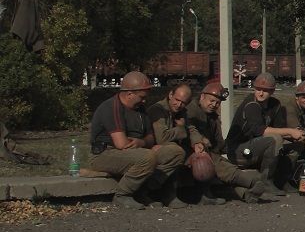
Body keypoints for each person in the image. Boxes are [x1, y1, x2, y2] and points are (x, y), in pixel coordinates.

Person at [87, 70, 185, 209]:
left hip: (137, 151)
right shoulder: (112, 107)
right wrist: (144, 146)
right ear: (129, 94)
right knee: (147, 157)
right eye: (142, 97)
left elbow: (151, 137)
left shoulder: (140, 109)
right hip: (105, 154)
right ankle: (123, 195)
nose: (145, 100)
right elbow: (122, 144)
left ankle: (144, 191)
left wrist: (142, 142)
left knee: (176, 152)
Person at [186, 81, 269, 203]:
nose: (214, 104)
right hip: (191, 152)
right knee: (214, 164)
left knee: (221, 171)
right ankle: (252, 181)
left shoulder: (213, 117)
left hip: (208, 152)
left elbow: (219, 143)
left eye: (217, 103)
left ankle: (245, 193)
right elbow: (189, 128)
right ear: (202, 96)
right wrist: (200, 140)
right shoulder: (191, 111)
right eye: (211, 100)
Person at [225, 72, 305, 197]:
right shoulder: (251, 104)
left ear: (272, 91)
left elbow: (279, 129)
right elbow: (260, 131)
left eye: (265, 90)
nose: (260, 93)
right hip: (239, 150)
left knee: (295, 145)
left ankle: (282, 180)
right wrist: (290, 131)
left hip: (258, 146)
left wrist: (296, 134)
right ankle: (266, 181)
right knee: (274, 139)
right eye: (258, 89)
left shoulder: (275, 105)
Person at [145, 82, 194, 208]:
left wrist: (198, 141)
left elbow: (191, 128)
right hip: (153, 149)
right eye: (177, 100)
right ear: (170, 95)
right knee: (175, 152)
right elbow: (162, 138)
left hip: (169, 148)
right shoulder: (158, 110)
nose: (179, 105)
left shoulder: (181, 112)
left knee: (200, 156)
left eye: (183, 102)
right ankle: (156, 189)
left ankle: (201, 192)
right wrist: (181, 129)